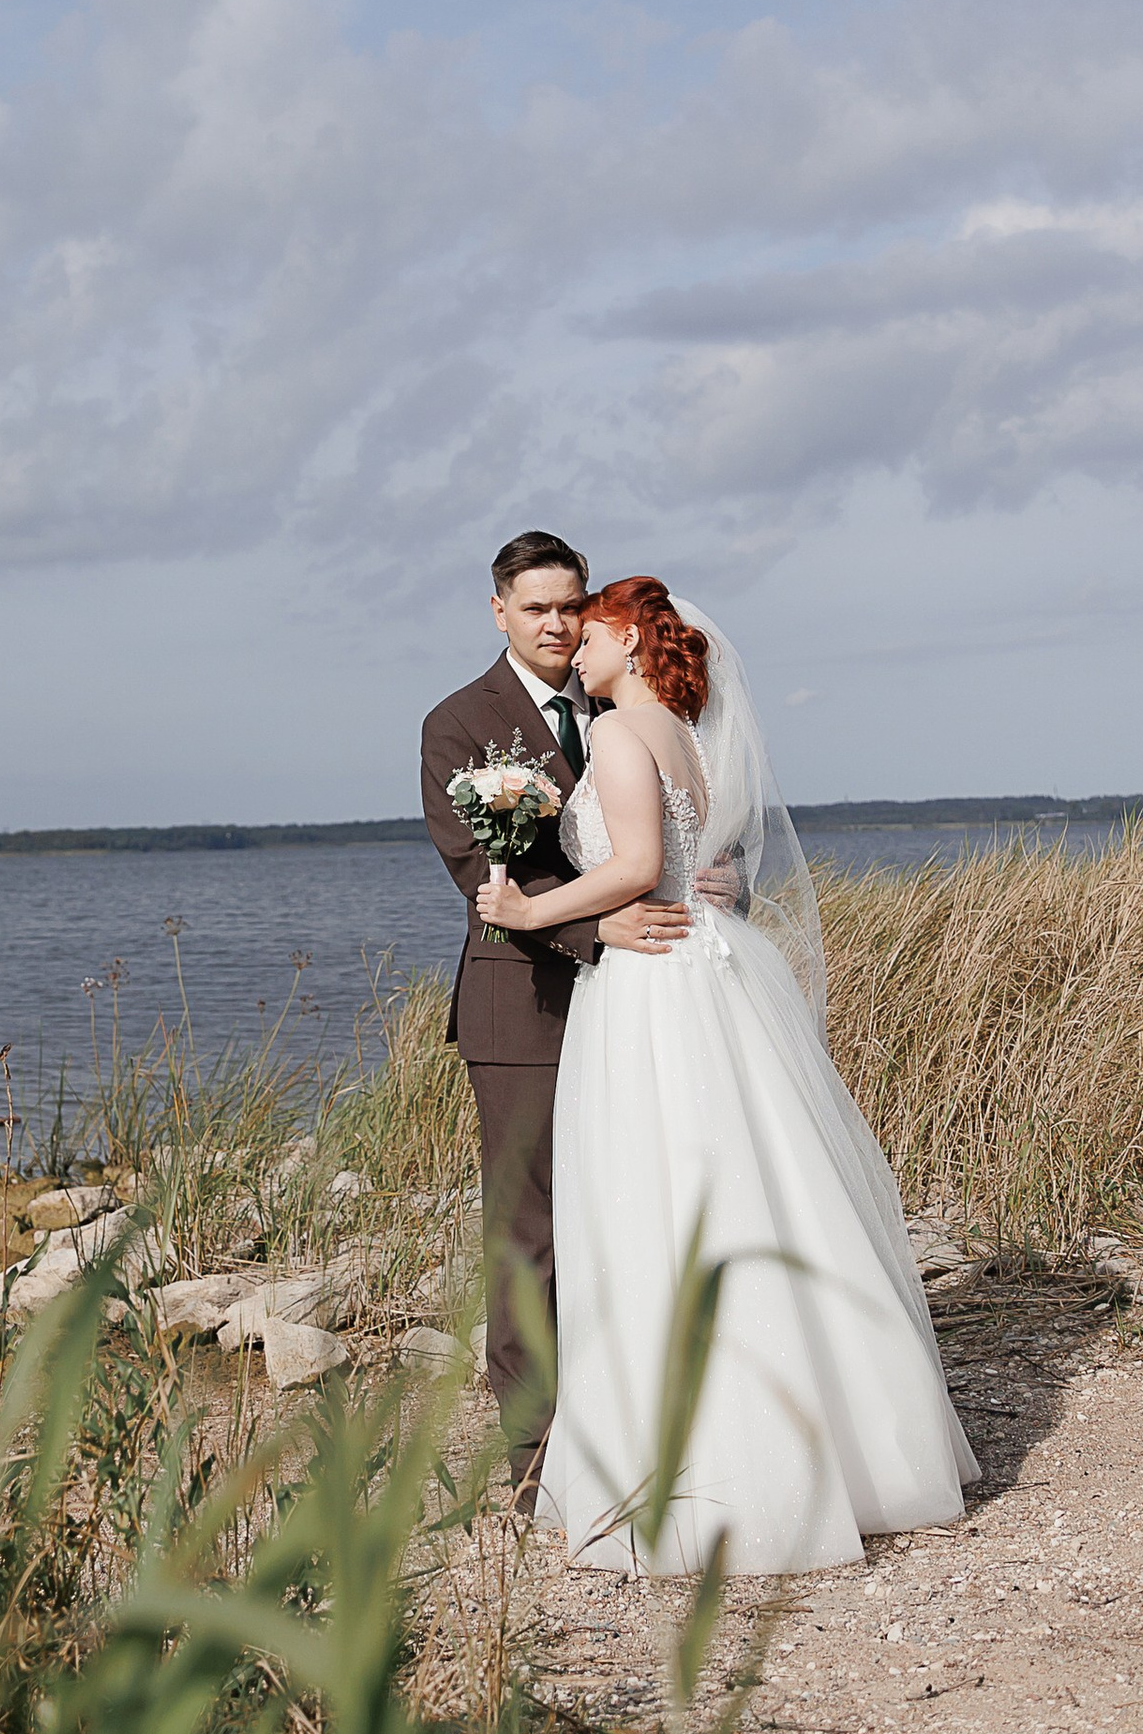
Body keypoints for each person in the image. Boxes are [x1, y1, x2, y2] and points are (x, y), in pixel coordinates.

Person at [475, 575, 977, 1574]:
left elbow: (635, 867)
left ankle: (705, 1478)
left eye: (591, 633)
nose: (574, 646)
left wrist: (532, 912)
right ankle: (845, 1449)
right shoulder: (688, 738)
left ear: (625, 634)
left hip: (653, 984)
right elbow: (697, 854)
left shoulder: (619, 732)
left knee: (655, 1204)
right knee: (756, 1194)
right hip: (713, 966)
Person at [419, 530, 693, 1482]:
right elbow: (480, 875)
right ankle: (534, 1450)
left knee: (634, 1209)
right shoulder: (459, 724)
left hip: (646, 1000)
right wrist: (595, 934)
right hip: (523, 1005)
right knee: (527, 1231)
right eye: (535, 608)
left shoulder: (628, 706)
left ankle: (638, 1419)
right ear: (498, 610)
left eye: (571, 605)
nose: (556, 623)